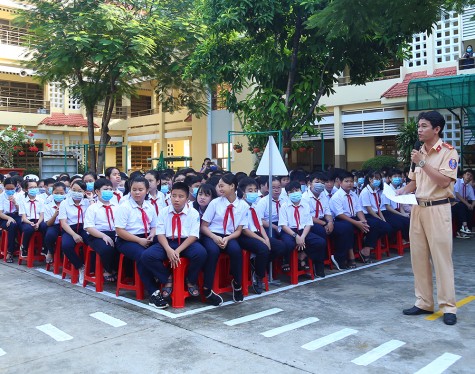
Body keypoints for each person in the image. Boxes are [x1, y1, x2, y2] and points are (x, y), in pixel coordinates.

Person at [397, 111, 458, 326]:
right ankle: (423, 302)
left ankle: (448, 306)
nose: (419, 130)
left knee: (442, 259)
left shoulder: (448, 152)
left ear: (436, 129)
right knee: (418, 258)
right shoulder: (418, 152)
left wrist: (423, 162)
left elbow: (443, 182)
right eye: (419, 126)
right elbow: (414, 182)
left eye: (424, 126)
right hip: (418, 209)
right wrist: (400, 191)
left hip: (438, 208)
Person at [140, 182, 207, 300]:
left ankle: (190, 280)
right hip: (167, 242)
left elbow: (193, 236)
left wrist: (177, 251)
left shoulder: (193, 212)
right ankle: (167, 278)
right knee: (147, 256)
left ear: (187, 198)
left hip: (186, 243)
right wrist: (168, 249)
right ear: (170, 196)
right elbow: (160, 234)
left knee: (201, 253)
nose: (176, 199)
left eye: (181, 196)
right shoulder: (164, 211)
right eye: (174, 195)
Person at [115, 177, 168, 309]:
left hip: (146, 237)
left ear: (147, 190)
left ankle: (162, 278)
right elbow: (120, 231)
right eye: (134, 190)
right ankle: (155, 290)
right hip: (127, 239)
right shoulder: (124, 207)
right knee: (142, 255)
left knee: (165, 246)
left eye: (140, 190)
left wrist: (152, 234)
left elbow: (155, 226)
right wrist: (139, 240)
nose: (137, 193)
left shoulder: (149, 206)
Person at [201, 174, 249, 303]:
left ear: (232, 186)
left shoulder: (243, 205)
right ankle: (207, 289)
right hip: (211, 234)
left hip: (230, 236)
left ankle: (237, 284)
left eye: (222, 186)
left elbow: (239, 230)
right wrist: (214, 237)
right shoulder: (215, 203)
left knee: (235, 250)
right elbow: (204, 226)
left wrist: (227, 239)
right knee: (212, 251)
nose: (219, 188)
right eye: (218, 186)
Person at [238, 177, 286, 294]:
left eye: (255, 190)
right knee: (263, 249)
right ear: (243, 193)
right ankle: (258, 276)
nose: (253, 193)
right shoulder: (240, 206)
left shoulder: (254, 205)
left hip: (257, 233)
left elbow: (259, 225)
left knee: (280, 246)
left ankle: (256, 265)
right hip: (244, 236)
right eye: (250, 190)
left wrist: (266, 238)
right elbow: (244, 230)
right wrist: (262, 240)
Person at [279, 181, 327, 277]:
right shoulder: (284, 206)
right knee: (288, 244)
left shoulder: (305, 205)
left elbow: (309, 223)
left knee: (320, 242)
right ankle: (287, 260)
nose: (294, 193)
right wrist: (296, 236)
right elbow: (283, 225)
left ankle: (304, 256)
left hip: (303, 230)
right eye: (291, 192)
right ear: (287, 194)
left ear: (301, 191)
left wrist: (303, 237)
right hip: (289, 231)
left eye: (296, 190)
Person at [329, 171, 370, 268]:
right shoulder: (337, 197)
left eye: (351, 181)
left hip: (353, 218)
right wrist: (357, 223)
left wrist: (363, 221)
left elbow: (358, 210)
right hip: (341, 220)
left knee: (373, 223)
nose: (350, 183)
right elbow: (340, 214)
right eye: (346, 181)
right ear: (340, 183)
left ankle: (365, 250)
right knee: (348, 228)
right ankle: (349, 256)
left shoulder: (353, 194)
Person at [84, 178, 119, 282]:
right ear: (97, 192)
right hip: (97, 235)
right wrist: (103, 236)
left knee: (122, 247)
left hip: (115, 233)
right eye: (105, 189)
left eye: (110, 189)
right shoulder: (93, 208)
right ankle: (108, 269)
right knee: (106, 248)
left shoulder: (117, 206)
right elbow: (89, 227)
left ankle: (118, 270)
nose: (108, 191)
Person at [59, 180, 90, 283]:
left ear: (84, 192)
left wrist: (91, 200)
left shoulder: (87, 202)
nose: (76, 192)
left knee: (94, 244)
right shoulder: (64, 203)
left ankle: (92, 270)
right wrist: (74, 235)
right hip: (69, 228)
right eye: (74, 190)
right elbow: (63, 223)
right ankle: (81, 267)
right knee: (66, 246)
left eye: (80, 191)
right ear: (70, 190)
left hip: (84, 228)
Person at [19, 179, 47, 257]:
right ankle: (24, 247)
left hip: (39, 220)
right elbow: (24, 218)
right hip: (27, 221)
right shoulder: (23, 201)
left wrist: (38, 223)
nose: (34, 189)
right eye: (31, 187)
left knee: (45, 226)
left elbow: (42, 215)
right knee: (28, 229)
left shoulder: (41, 200)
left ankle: (44, 247)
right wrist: (30, 223)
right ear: (25, 189)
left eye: (35, 187)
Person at [43, 182, 67, 264]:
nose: (59, 195)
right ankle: (50, 251)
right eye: (56, 193)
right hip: (55, 225)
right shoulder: (48, 205)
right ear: (52, 193)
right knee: (49, 235)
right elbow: (48, 224)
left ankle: (64, 254)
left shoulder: (68, 203)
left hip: (66, 225)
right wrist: (55, 215)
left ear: (65, 193)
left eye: (61, 193)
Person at [0, 178, 22, 263]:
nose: (10, 191)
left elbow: (21, 211)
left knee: (23, 225)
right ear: (4, 187)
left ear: (16, 187)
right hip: (4, 217)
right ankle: (10, 252)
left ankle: (23, 248)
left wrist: (15, 203)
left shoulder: (19, 196)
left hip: (16, 215)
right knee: (12, 226)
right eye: (7, 189)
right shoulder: (1, 197)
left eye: (12, 189)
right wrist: (9, 218)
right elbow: (0, 213)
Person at [451, 169, 474, 237]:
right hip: (453, 204)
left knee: (469, 208)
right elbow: (457, 194)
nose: (468, 177)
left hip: (461, 205)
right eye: (467, 174)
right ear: (463, 175)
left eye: (470, 176)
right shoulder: (458, 181)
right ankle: (464, 227)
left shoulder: (469, 187)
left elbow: (473, 199)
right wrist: (467, 204)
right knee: (462, 206)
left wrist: (472, 205)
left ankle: (466, 230)